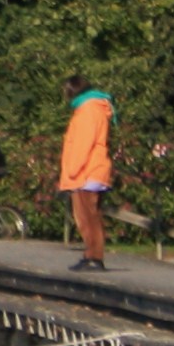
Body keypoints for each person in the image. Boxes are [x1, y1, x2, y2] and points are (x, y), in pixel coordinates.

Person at [58, 83, 117, 270]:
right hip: (92, 170)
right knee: (90, 217)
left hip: (86, 173)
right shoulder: (94, 108)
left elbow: (83, 143)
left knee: (86, 218)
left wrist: (72, 170)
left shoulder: (87, 110)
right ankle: (91, 255)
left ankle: (94, 257)